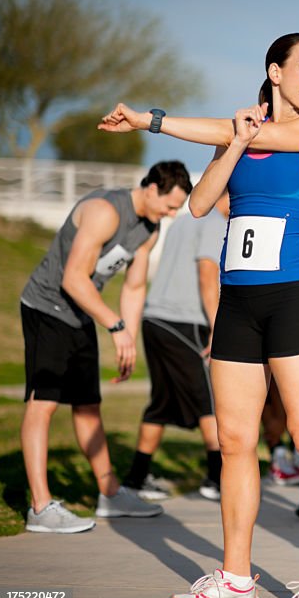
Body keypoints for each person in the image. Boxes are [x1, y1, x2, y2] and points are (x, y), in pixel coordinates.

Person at [100, 32, 299, 598]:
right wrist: (234, 144)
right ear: (275, 71)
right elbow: (202, 202)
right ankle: (236, 580)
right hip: (238, 304)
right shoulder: (239, 133)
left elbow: (248, 132)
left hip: (291, 300)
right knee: (235, 442)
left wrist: (149, 120)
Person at [20, 161, 189, 533]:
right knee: (43, 403)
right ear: (150, 189)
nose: (172, 214)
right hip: (47, 307)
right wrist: (113, 325)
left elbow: (134, 286)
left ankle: (110, 493)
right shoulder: (104, 212)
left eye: (177, 208)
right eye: (169, 205)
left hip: (81, 313)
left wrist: (126, 336)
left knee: (88, 407)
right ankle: (40, 506)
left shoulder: (150, 228)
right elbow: (73, 277)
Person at [121, 194, 230, 503]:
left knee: (161, 403)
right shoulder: (215, 223)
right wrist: (217, 327)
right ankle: (217, 478)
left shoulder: (186, 220)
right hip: (184, 322)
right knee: (210, 400)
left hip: (156, 319)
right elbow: (207, 276)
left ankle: (136, 478)